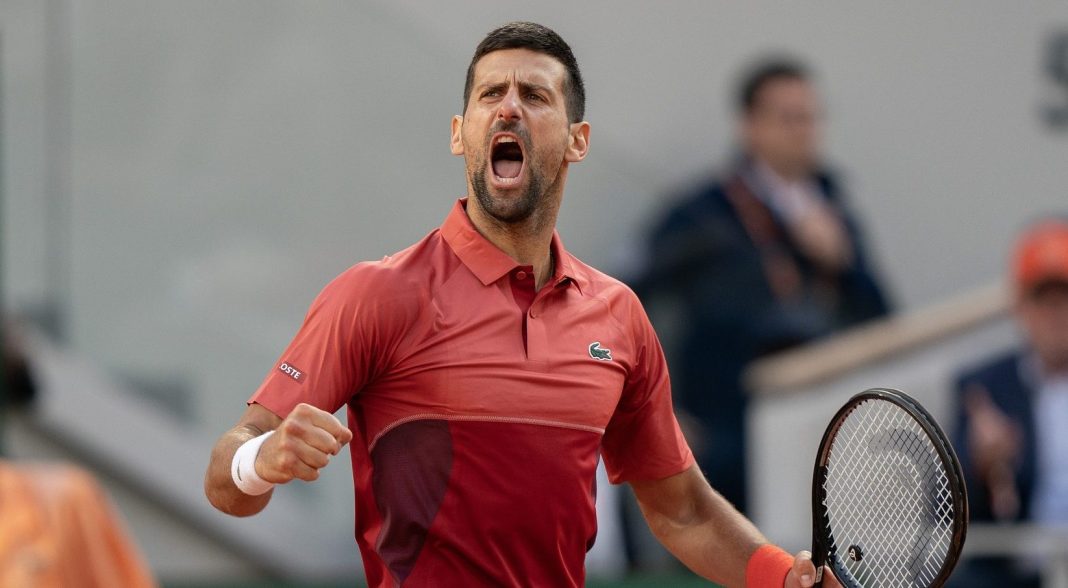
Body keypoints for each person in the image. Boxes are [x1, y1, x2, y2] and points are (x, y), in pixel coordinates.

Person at [204, 23, 839, 588]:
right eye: (489, 95)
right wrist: (262, 459)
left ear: (576, 140)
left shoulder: (619, 316)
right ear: (461, 134)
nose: (509, 107)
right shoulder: (376, 293)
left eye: (534, 96)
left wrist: (782, 578)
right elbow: (223, 481)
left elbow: (683, 510)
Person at [632, 58, 890, 513]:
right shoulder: (706, 212)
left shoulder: (833, 207)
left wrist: (842, 262)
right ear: (750, 126)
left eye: (810, 117)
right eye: (788, 118)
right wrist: (661, 409)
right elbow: (630, 299)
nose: (803, 131)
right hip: (725, 427)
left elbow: (882, 317)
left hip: (821, 429)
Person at [950, 217, 1068, 588]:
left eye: (1064, 300)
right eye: (1043, 300)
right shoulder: (985, 387)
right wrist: (985, 465)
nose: (1055, 315)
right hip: (1015, 569)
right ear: (1021, 307)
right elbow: (948, 510)